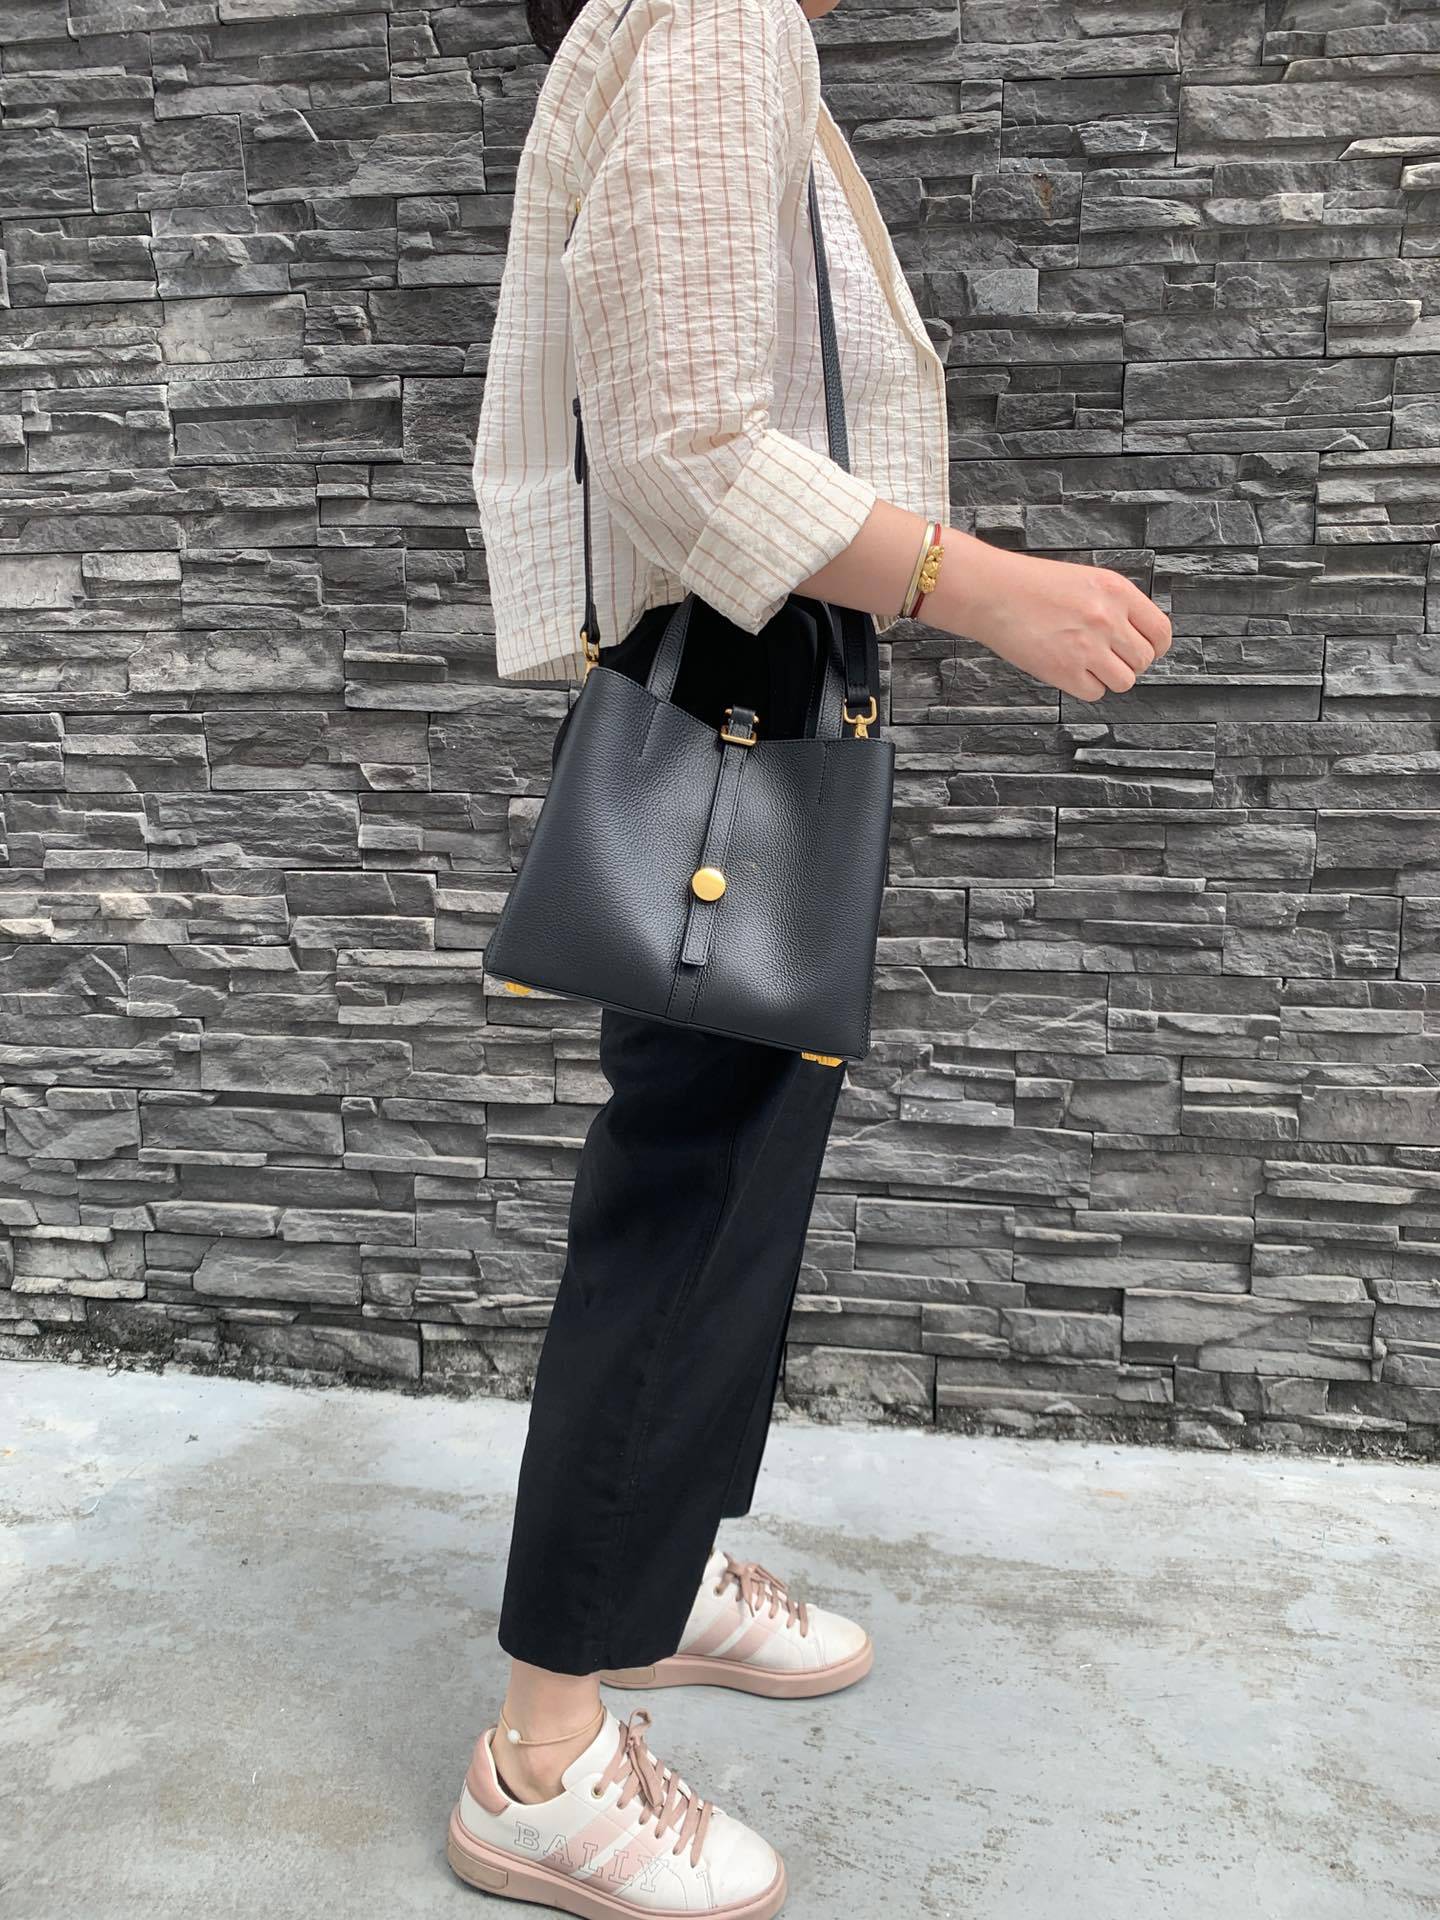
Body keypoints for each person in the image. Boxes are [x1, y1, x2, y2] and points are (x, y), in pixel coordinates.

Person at [452, 0, 1173, 1910]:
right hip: (740, 661)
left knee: (737, 1164)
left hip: (767, 656)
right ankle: (539, 1755)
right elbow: (687, 446)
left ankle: (658, 1554)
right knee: (688, 1192)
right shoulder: (714, 12)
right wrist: (986, 584)